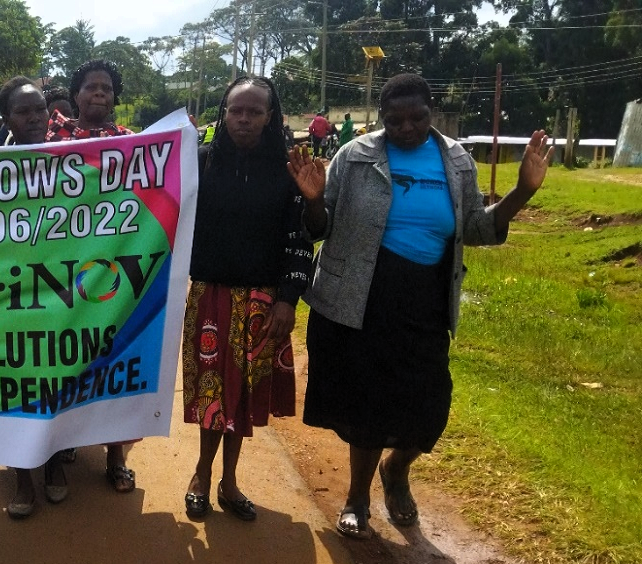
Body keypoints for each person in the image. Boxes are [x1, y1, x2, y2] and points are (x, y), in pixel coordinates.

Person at [287, 73, 553, 539]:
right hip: (363, 298)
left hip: (426, 301)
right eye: (394, 120)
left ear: (431, 113)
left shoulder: (457, 160)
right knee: (368, 407)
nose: (406, 127)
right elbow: (319, 226)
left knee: (429, 408)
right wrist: (312, 200)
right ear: (381, 118)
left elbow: (476, 228)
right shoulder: (355, 156)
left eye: (417, 117)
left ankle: (397, 469)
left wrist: (523, 192)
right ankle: (356, 499)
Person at [182, 76, 312, 523]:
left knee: (242, 399)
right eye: (236, 110)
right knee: (211, 394)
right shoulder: (198, 163)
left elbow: (300, 238)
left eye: (254, 111)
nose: (244, 118)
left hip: (263, 301)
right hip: (210, 297)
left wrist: (289, 300)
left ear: (270, 117)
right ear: (224, 112)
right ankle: (200, 473)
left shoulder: (287, 171)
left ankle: (230, 480)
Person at [43, 59, 139, 493]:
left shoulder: (134, 144)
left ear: (114, 96)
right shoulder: (52, 137)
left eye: (106, 88)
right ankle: (63, 439)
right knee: (64, 356)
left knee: (111, 357)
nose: (98, 93)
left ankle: (115, 454)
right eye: (90, 87)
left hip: (111, 266)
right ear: (76, 93)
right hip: (59, 265)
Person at [0, 76, 68, 519]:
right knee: (13, 382)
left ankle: (55, 461)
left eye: (40, 108)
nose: (35, 117)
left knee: (54, 376)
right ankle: (23, 476)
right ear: (7, 119)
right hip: (4, 293)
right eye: (24, 111)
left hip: (58, 292)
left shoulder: (72, 160)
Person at [46, 59, 134, 143]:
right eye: (91, 87)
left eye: (107, 89)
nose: (100, 93)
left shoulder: (128, 139)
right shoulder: (49, 134)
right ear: (76, 97)